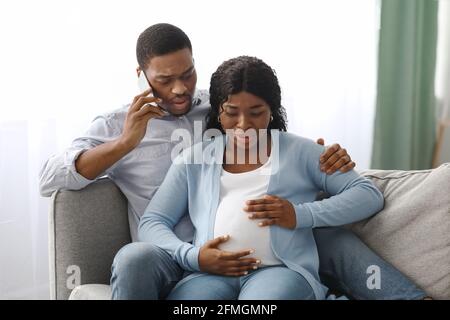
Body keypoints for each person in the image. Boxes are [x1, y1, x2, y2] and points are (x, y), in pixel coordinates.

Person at [38, 23, 425, 300]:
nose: (179, 88)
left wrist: (316, 168)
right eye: (165, 79)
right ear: (142, 77)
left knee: (331, 237)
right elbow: (51, 177)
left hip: (276, 258)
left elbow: (271, 127)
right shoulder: (128, 130)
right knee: (136, 258)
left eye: (187, 74)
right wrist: (125, 143)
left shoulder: (222, 100)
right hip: (182, 256)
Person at [136, 56, 427, 300]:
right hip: (208, 276)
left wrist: (299, 215)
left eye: (256, 113)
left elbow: (367, 194)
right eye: (232, 113)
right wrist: (194, 257)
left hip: (278, 271)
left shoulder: (300, 152)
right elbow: (152, 222)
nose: (244, 125)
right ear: (218, 113)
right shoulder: (194, 159)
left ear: (271, 111)